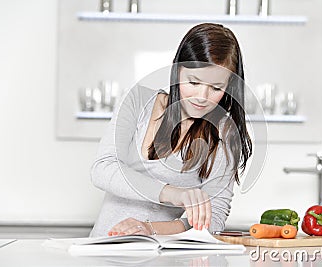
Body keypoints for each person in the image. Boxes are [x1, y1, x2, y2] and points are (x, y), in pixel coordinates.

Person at [89, 23, 252, 237]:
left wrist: (149, 229)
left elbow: (216, 214)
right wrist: (173, 194)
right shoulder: (138, 101)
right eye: (193, 82)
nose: (201, 97)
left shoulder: (224, 134)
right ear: (177, 72)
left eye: (215, 88)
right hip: (105, 249)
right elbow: (102, 169)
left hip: (167, 256)